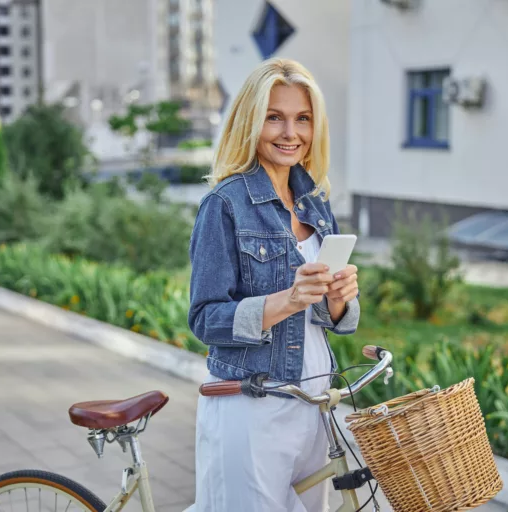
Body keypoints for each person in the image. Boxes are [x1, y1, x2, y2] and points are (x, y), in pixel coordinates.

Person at [186, 58, 361, 512]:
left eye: (302, 118)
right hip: (252, 405)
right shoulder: (224, 205)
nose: (290, 132)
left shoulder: (315, 202)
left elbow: (324, 318)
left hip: (314, 401)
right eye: (274, 117)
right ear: (250, 121)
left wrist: (340, 301)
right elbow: (205, 319)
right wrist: (285, 301)